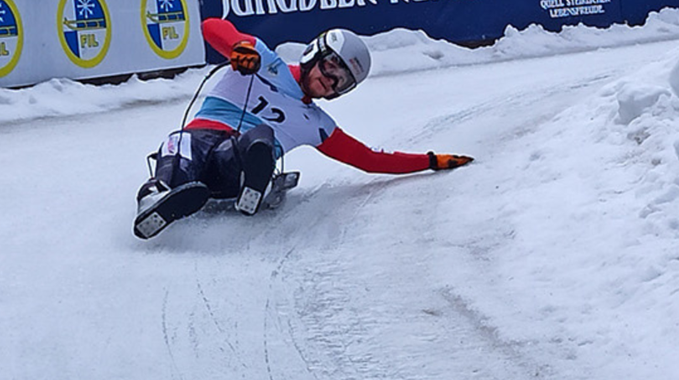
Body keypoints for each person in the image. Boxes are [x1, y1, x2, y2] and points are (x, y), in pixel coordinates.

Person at [133, 18, 473, 240]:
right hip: (201, 137)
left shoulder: (317, 125)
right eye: (329, 68)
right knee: (180, 143)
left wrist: (430, 160)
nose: (329, 81)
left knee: (259, 140)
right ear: (315, 54)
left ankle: (254, 183)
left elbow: (369, 160)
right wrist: (239, 49)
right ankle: (156, 198)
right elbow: (212, 27)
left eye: (339, 82)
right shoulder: (265, 61)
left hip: (233, 163)